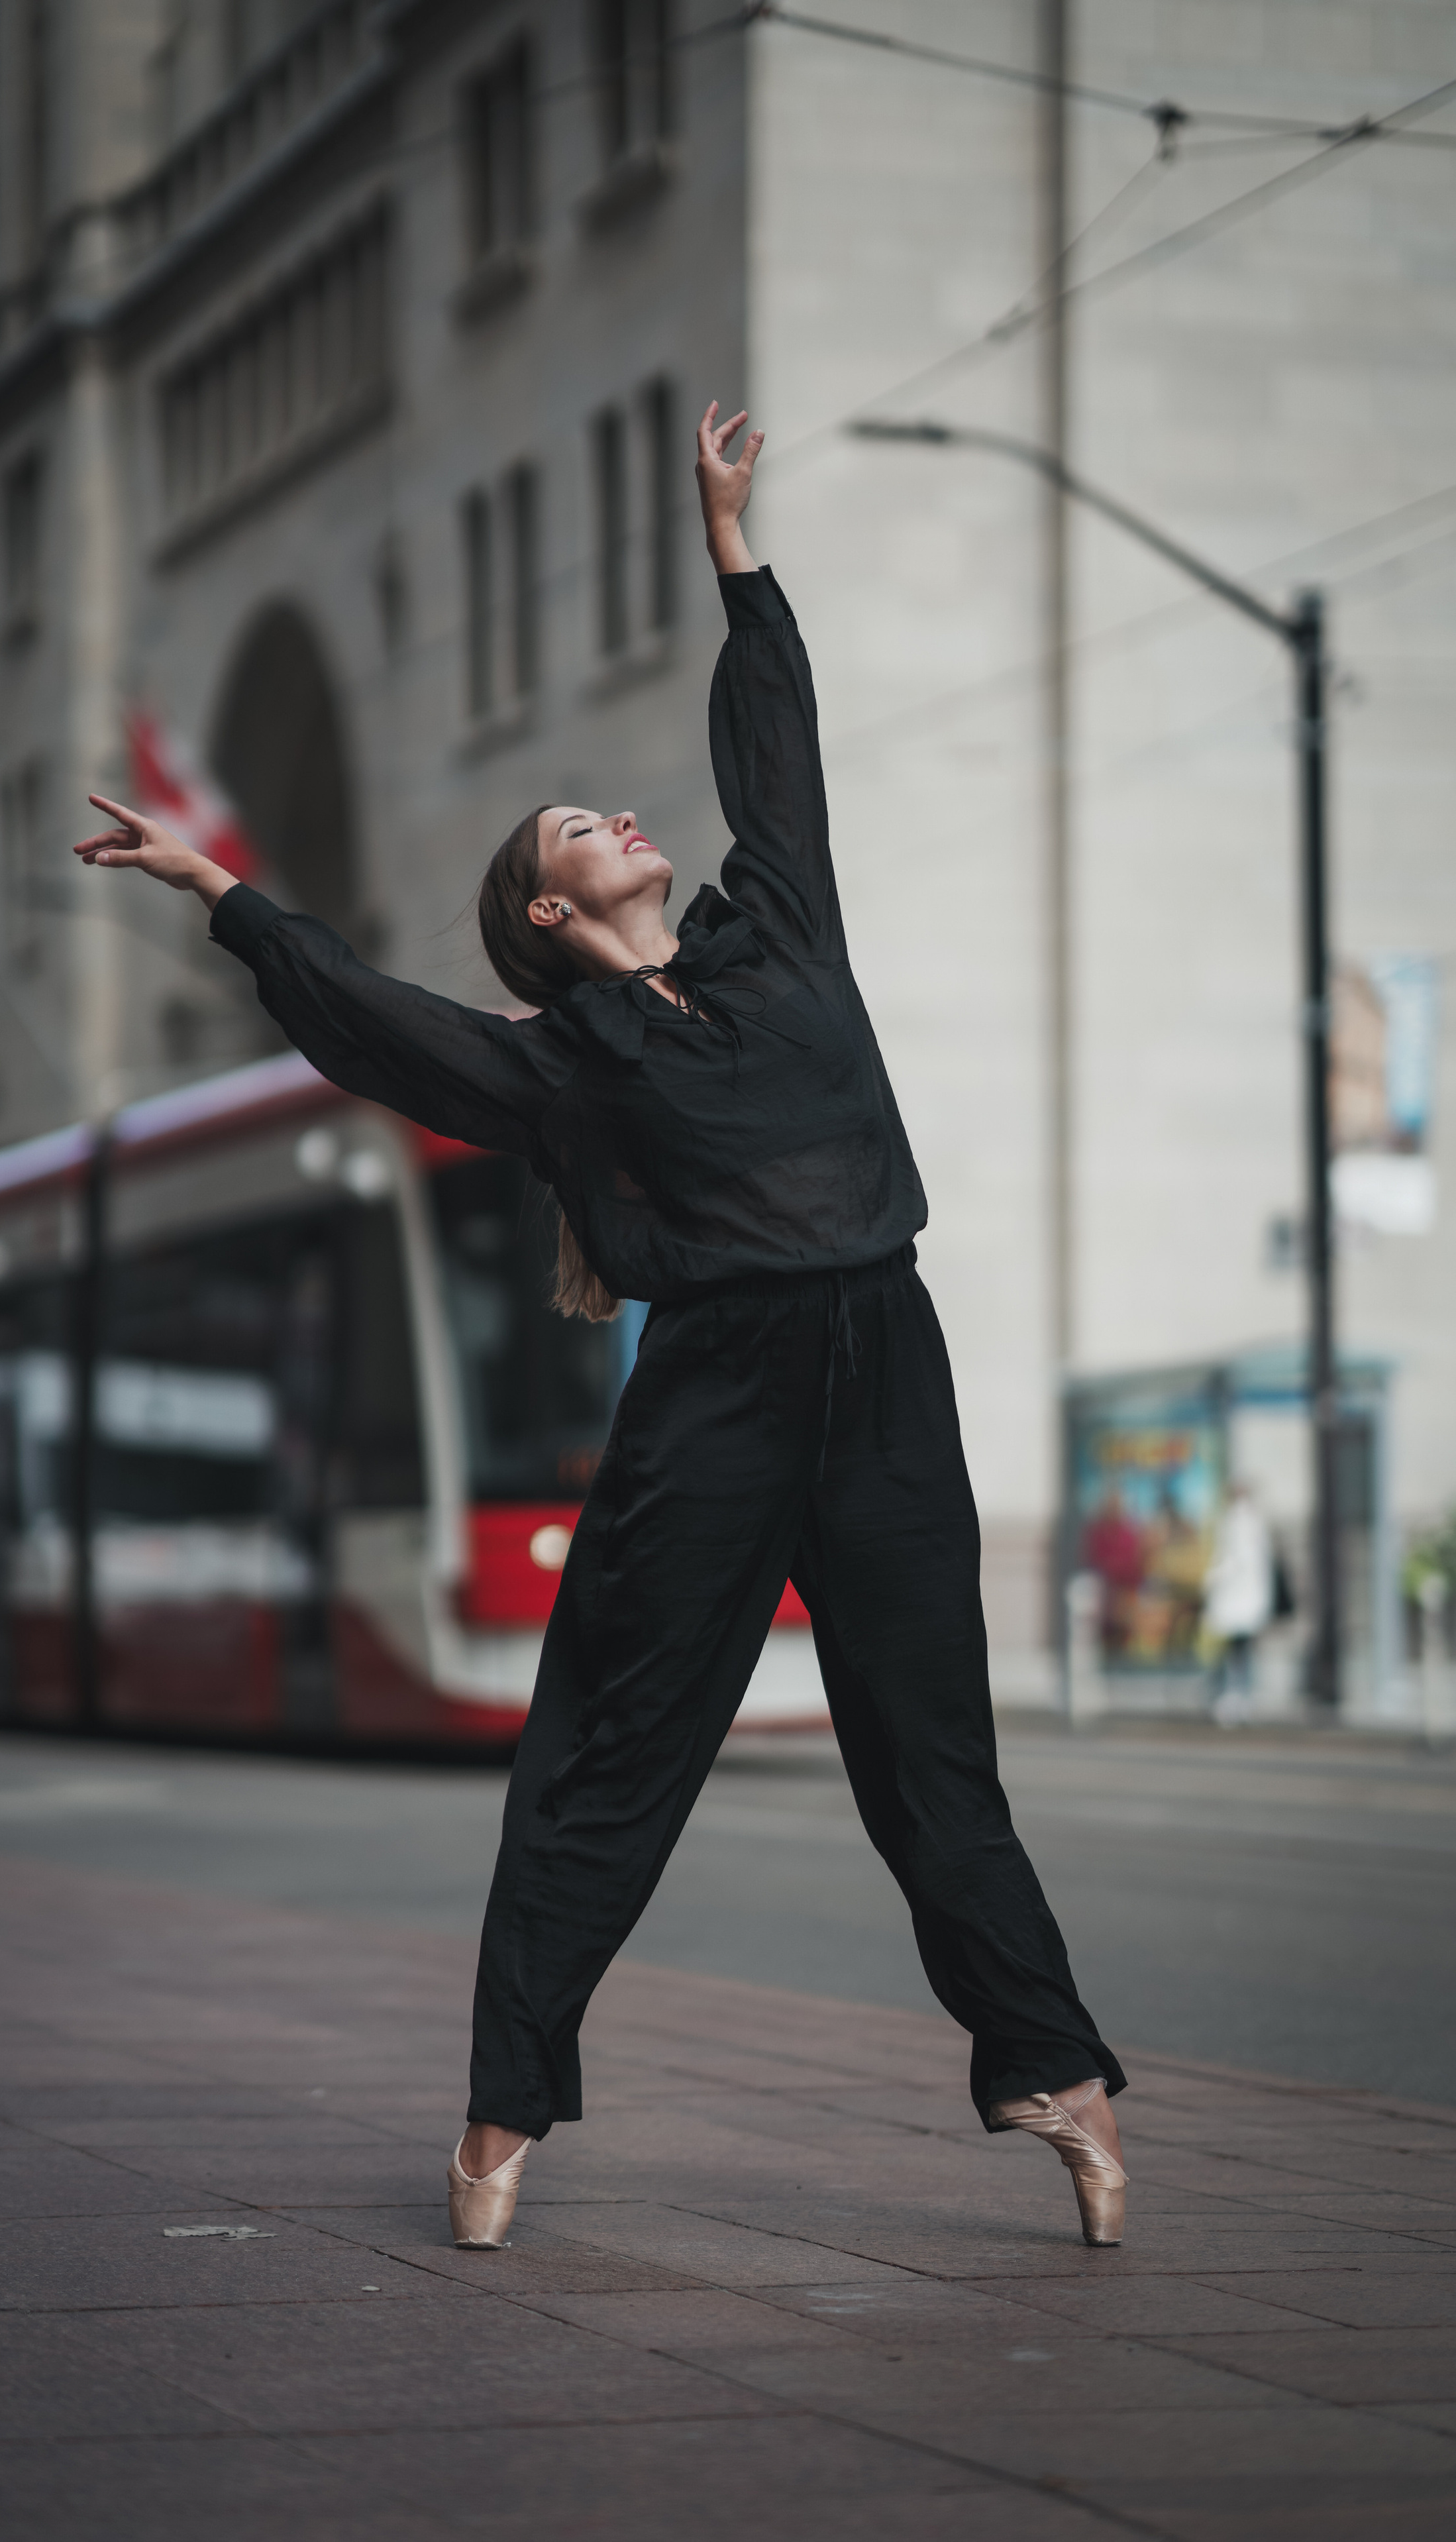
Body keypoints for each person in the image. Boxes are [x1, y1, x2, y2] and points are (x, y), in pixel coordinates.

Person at [72, 403, 1129, 2251]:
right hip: (714, 1396)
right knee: (608, 1757)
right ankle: (504, 2111)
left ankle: (1049, 2063)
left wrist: (735, 541)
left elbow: (774, 735)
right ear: (556, 914)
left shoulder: (780, 929)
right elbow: (373, 1024)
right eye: (586, 830)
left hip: (888, 1362)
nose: (628, 820)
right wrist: (218, 892)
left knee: (928, 1746)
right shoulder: (560, 1067)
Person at [1204, 1479, 1274, 1722]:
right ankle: (1243, 1696)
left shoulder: (1237, 1521)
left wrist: (1214, 1578)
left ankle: (1234, 1696)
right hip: (1248, 1600)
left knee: (1233, 1650)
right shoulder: (1254, 1521)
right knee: (1242, 1650)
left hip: (1236, 1599)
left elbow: (1235, 1561)